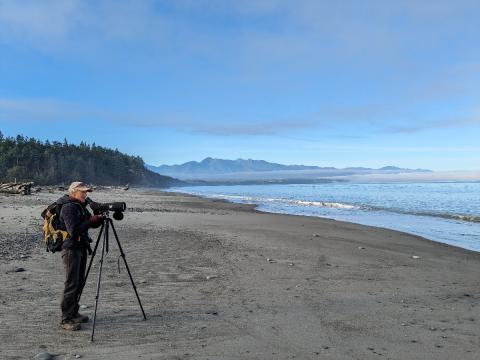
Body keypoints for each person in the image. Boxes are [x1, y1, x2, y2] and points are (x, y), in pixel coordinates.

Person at [57, 181, 102, 331]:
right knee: (71, 283)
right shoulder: (69, 207)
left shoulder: (80, 207)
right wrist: (90, 221)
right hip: (70, 249)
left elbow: (92, 224)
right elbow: (74, 230)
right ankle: (66, 319)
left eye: (86, 192)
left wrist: (97, 216)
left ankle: (74, 313)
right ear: (73, 192)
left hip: (80, 247)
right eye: (82, 192)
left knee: (79, 282)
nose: (85, 194)